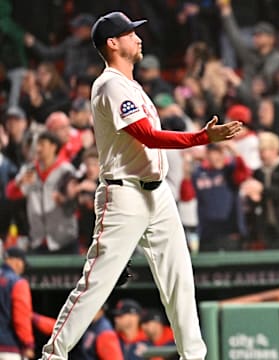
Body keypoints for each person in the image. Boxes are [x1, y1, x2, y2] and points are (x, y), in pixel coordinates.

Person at [39, 10, 242, 360]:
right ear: (113, 42)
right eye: (130, 33)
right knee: (97, 283)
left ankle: (194, 357)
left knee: (180, 277)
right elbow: (145, 135)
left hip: (156, 193)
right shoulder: (110, 84)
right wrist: (201, 138)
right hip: (124, 194)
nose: (138, 37)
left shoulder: (131, 85)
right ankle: (53, 355)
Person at [0, 246, 35, 359]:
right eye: (23, 264)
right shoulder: (17, 282)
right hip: (8, 348)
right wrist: (28, 344)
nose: (22, 268)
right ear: (17, 261)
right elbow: (21, 317)